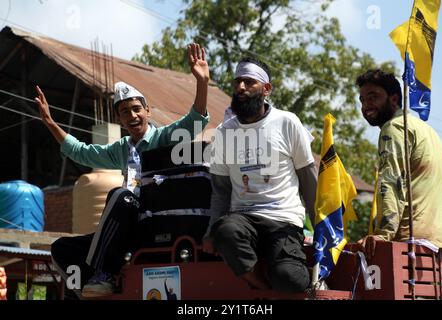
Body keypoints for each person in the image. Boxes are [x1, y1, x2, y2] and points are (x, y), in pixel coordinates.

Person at [36, 43, 210, 298]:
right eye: (125, 111)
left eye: (137, 109)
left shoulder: (165, 137)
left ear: (148, 111)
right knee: (61, 249)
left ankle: (102, 272)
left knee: (118, 195)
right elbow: (81, 151)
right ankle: (94, 286)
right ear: (120, 119)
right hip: (124, 226)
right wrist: (50, 123)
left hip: (154, 221)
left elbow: (194, 121)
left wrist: (202, 82)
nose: (132, 115)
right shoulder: (120, 149)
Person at [202, 57, 317, 293]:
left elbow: (308, 182)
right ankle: (264, 291)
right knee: (224, 231)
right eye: (237, 82)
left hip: (283, 219)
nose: (241, 87)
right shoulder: (224, 132)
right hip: (243, 218)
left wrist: (323, 232)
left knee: (289, 277)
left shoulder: (287, 122)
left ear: (266, 89)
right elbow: (221, 191)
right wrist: (210, 231)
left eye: (249, 82)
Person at [355, 69, 442, 258]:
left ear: (393, 99)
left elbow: (391, 181)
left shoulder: (394, 128)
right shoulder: (427, 131)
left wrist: (383, 234)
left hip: (410, 242)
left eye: (373, 97)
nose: (366, 105)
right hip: (439, 244)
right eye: (363, 100)